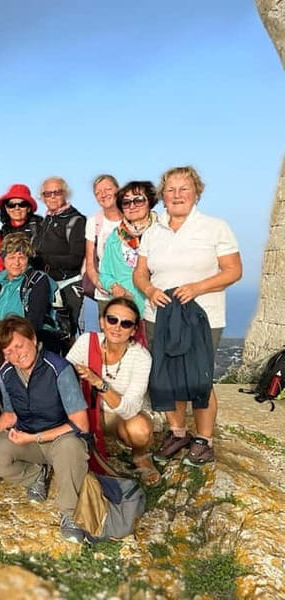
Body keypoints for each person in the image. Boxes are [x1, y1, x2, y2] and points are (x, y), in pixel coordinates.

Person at [133, 165, 242, 467]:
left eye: (184, 189)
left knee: (199, 377)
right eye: (171, 189)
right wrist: (150, 290)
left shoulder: (215, 227)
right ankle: (177, 432)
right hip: (159, 314)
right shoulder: (153, 232)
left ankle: (204, 441)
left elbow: (233, 270)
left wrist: (198, 287)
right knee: (167, 377)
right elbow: (140, 272)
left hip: (203, 315)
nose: (177, 195)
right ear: (162, 196)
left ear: (197, 193)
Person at [0, 316, 89, 543]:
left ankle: (70, 513)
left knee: (71, 446)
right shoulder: (7, 373)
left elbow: (80, 423)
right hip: (28, 439)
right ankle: (35, 475)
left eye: (18, 346)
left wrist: (35, 436)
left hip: (60, 438)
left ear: (34, 339)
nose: (15, 355)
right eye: (7, 352)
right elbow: (10, 414)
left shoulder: (59, 369)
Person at [66, 297, 159, 485]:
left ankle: (140, 456)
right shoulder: (86, 342)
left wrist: (99, 383)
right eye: (112, 320)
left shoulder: (140, 357)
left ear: (134, 330)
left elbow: (129, 409)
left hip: (121, 416)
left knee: (139, 430)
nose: (117, 327)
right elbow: (64, 379)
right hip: (88, 411)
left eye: (125, 323)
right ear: (102, 321)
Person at [34, 176, 86, 344]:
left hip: (68, 285)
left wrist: (43, 259)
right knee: (49, 332)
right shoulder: (47, 220)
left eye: (57, 192)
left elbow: (75, 259)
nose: (52, 197)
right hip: (49, 285)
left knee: (69, 334)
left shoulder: (76, 220)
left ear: (66, 194)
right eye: (48, 194)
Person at [99, 180, 159, 316]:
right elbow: (104, 274)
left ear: (149, 201)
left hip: (157, 309)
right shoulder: (114, 237)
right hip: (127, 311)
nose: (132, 206)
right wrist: (114, 287)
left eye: (138, 200)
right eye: (126, 202)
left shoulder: (162, 231)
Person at [0, 233, 52, 339]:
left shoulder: (37, 281)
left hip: (25, 341)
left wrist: (9, 340)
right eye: (11, 257)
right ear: (4, 260)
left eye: (21, 257)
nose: (16, 263)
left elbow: (34, 321)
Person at [84, 175, 123, 314]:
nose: (103, 195)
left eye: (107, 189)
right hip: (106, 292)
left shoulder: (133, 216)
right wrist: (98, 282)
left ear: (118, 190)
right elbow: (90, 262)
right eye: (98, 193)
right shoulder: (93, 222)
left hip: (134, 291)